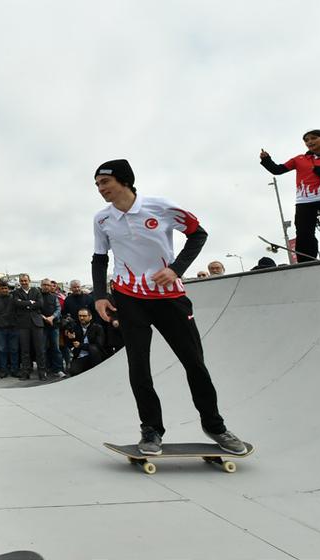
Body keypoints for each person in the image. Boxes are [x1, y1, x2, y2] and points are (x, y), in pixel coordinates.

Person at [90, 158, 247, 457]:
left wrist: (176, 268)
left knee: (194, 362)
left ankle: (215, 426)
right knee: (138, 366)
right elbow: (100, 258)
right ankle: (151, 429)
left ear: (124, 180)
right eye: (97, 184)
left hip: (169, 296)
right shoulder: (102, 219)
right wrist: (99, 296)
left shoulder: (160, 207)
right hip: (128, 297)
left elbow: (198, 233)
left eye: (104, 182)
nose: (100, 189)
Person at [260, 130, 320, 260]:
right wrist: (266, 159)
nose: (309, 142)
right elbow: (278, 170)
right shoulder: (299, 159)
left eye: (313, 138)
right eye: (306, 140)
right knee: (303, 231)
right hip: (304, 200)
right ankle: (306, 259)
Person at [12, 274, 46, 380]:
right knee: (25, 350)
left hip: (36, 323)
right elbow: (16, 304)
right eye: (21, 281)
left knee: (39, 349)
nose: (23, 282)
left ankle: (42, 372)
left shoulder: (36, 291)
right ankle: (25, 372)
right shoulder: (16, 292)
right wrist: (30, 303)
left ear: (29, 280)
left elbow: (40, 304)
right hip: (23, 324)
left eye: (25, 280)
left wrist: (24, 304)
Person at [0, 282, 18, 378]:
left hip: (13, 328)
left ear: (8, 289)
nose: (4, 290)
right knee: (2, 350)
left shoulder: (13, 299)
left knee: (14, 350)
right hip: (0, 329)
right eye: (2, 288)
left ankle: (15, 370)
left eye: (6, 288)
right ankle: (3, 370)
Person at [68, 308, 105, 375]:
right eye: (80, 316)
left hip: (94, 356)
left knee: (94, 349)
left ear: (90, 317)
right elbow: (70, 346)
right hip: (80, 357)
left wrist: (81, 345)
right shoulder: (75, 328)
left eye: (84, 316)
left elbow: (98, 345)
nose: (81, 318)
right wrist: (71, 339)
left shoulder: (97, 328)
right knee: (73, 372)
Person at [39, 278, 63, 376]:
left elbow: (58, 309)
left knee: (56, 348)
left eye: (48, 285)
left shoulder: (54, 297)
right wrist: (45, 318)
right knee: (43, 349)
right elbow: (35, 310)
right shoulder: (37, 296)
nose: (46, 287)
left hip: (54, 326)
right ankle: (44, 369)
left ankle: (58, 369)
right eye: (44, 285)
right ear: (41, 286)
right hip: (41, 327)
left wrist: (52, 317)